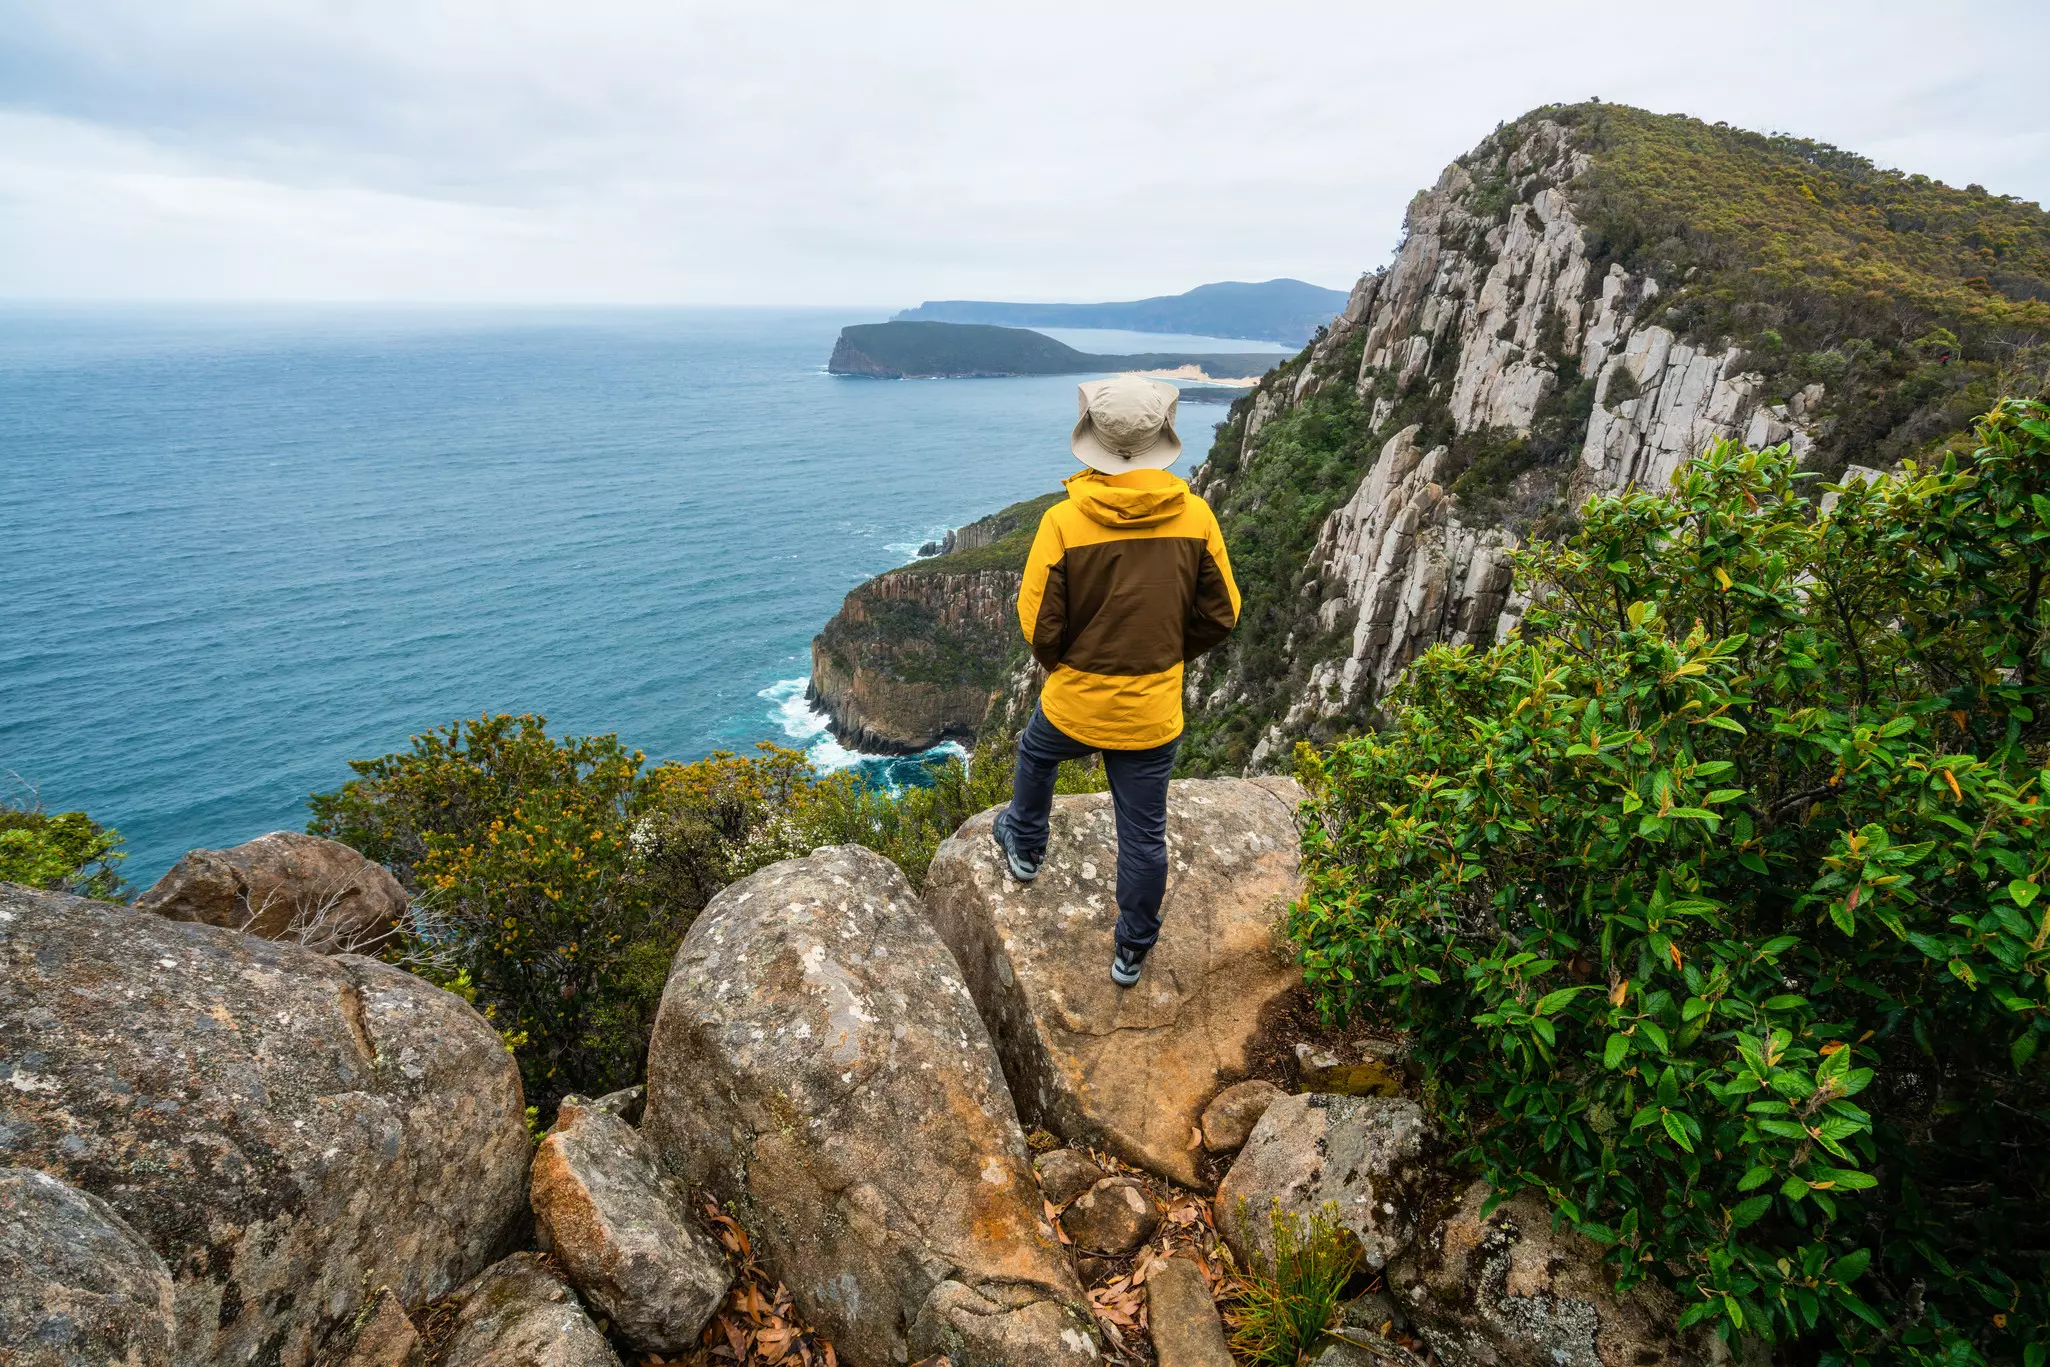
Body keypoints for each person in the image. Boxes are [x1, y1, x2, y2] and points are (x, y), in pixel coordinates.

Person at [991, 373, 1241, 987]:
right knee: (1143, 834)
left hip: (1076, 699)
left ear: (1093, 440)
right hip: (1152, 711)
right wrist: (1166, 655)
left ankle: (1025, 847)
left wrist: (1070, 666)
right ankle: (1131, 951)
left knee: (1036, 752)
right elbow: (1220, 615)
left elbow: (1038, 623)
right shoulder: (1198, 516)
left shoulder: (1063, 522)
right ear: (1161, 437)